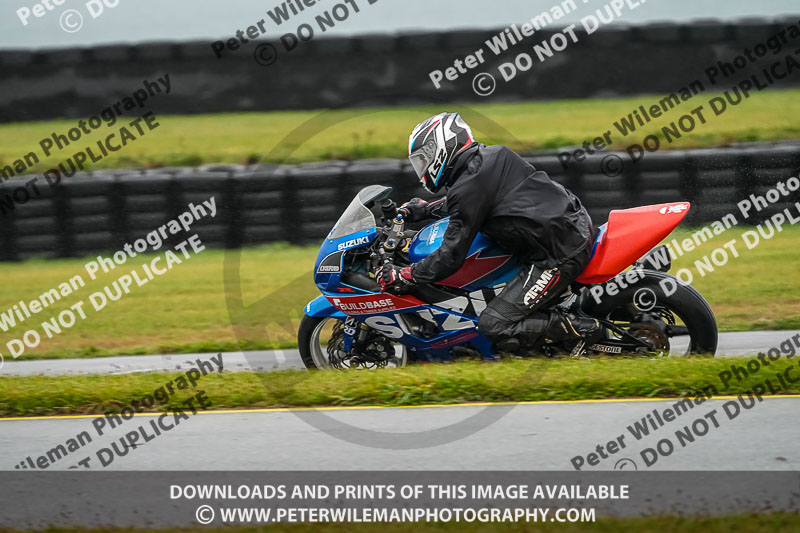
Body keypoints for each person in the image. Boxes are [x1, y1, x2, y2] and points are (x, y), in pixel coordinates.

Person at [377, 112, 602, 353]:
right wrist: (424, 210)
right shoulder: (493, 155)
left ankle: (586, 329)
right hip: (571, 222)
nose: (422, 170)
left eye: (424, 160)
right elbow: (472, 201)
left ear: (442, 149)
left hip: (559, 254)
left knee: (493, 324)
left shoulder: (468, 187)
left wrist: (406, 275)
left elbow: (450, 257)